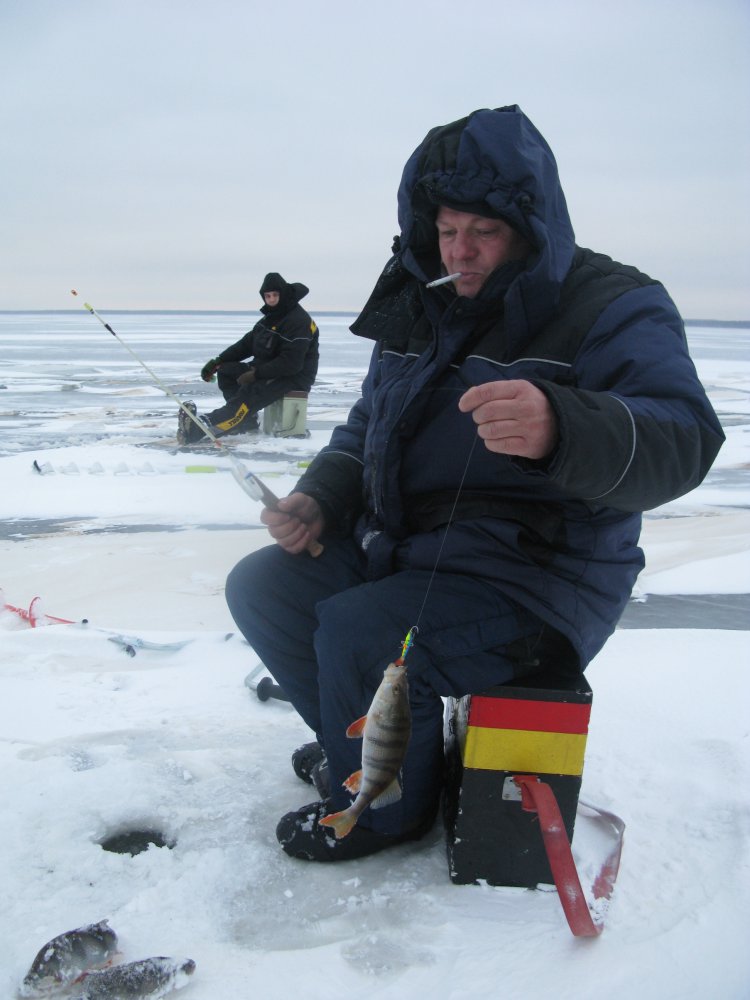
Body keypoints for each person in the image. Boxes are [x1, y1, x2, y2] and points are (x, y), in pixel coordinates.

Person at [225, 106, 724, 862]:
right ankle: (354, 748)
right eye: (448, 229)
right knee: (266, 586)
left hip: (538, 579)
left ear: (530, 227)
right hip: (410, 557)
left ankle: (384, 814)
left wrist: (562, 425)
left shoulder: (613, 305)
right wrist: (322, 497)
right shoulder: (419, 301)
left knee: (365, 632)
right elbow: (368, 425)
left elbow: (684, 438)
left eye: (484, 231)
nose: (460, 250)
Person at [177, 272, 319, 443]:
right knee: (227, 371)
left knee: (248, 396)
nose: (271, 300)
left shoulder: (298, 321)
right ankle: (245, 422)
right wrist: (218, 361)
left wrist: (256, 374)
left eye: (275, 295)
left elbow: (291, 363)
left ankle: (200, 429)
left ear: (283, 294)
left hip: (293, 377)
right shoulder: (272, 316)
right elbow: (247, 344)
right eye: (268, 296)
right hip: (267, 369)